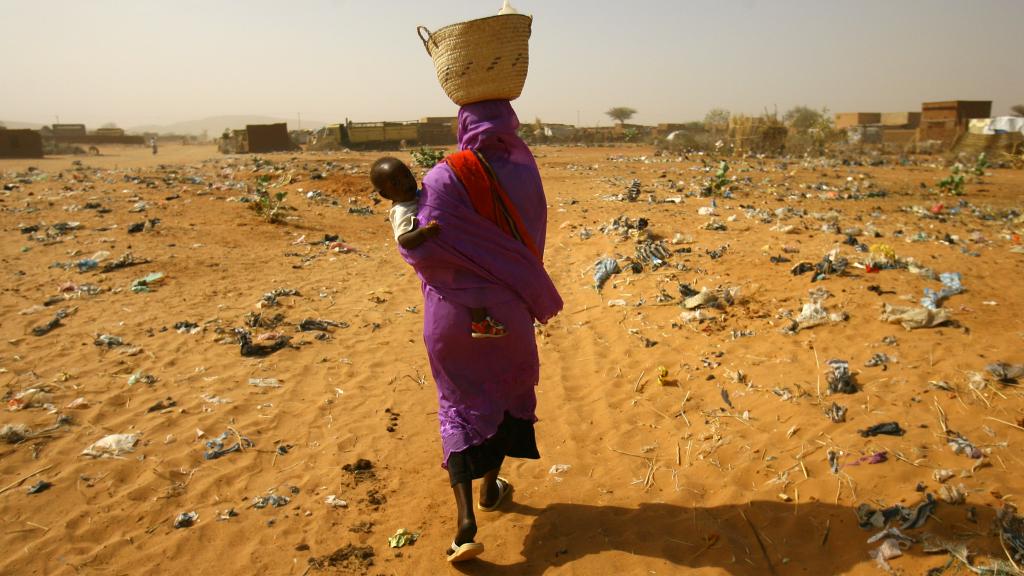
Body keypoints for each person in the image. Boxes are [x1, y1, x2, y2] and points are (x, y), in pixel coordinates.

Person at [392, 100, 562, 562]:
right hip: (507, 309)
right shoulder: (526, 175)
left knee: (458, 402)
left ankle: (466, 522)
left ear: (464, 125)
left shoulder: (444, 176)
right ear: (511, 123)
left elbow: (420, 248)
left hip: (451, 314)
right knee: (508, 391)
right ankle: (492, 488)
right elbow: (532, 240)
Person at [370, 156, 509, 338]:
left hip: (444, 252)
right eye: (396, 183)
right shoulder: (401, 211)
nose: (405, 183)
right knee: (468, 281)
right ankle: (480, 323)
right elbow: (404, 240)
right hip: (435, 261)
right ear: (386, 195)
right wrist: (425, 233)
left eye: (406, 176)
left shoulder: (415, 196)